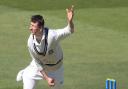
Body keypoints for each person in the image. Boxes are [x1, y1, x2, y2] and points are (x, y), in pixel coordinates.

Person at [16, 5, 74, 89]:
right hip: (38, 67)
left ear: (40, 28)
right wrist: (47, 78)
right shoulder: (30, 42)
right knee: (28, 80)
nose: (30, 28)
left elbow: (69, 30)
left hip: (56, 69)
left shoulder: (52, 36)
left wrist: (70, 21)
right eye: (30, 25)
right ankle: (26, 73)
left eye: (33, 26)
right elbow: (37, 63)